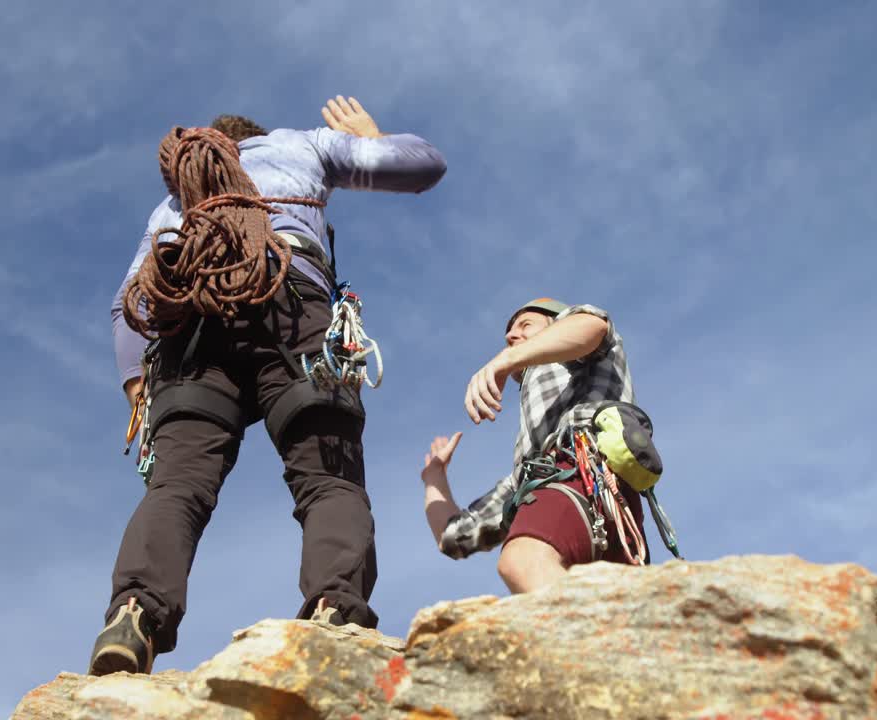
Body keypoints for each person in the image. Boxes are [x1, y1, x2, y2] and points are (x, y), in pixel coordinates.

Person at [89, 96, 446, 676]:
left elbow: (127, 303)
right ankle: (335, 610)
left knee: (178, 486)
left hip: (193, 328)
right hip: (292, 308)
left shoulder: (177, 202)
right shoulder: (301, 146)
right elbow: (424, 165)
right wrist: (371, 136)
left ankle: (134, 614)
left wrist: (137, 387)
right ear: (256, 136)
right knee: (327, 477)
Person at [420, 298, 649, 593]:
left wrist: (506, 360)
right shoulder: (527, 477)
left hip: (583, 469)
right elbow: (453, 536)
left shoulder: (581, 343)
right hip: (595, 499)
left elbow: (592, 326)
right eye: (509, 334)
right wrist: (433, 477)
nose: (510, 336)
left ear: (557, 322)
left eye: (525, 325)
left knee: (524, 560)